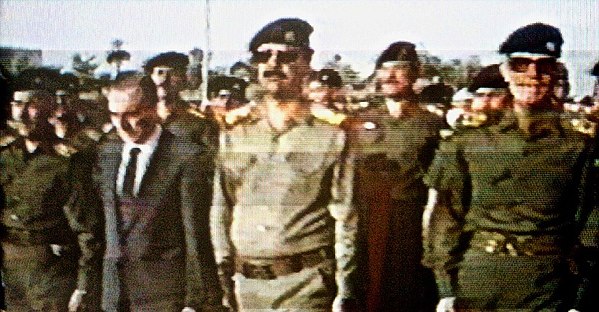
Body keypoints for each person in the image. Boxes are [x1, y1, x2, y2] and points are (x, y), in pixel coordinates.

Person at [422, 22, 597, 311]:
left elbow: (591, 221)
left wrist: (581, 297)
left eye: (544, 66)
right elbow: (445, 216)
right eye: (521, 65)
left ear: (556, 71)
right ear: (505, 71)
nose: (533, 76)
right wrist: (445, 288)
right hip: (479, 276)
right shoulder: (468, 141)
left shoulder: (579, 144)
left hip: (547, 282)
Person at [210, 18, 358, 311]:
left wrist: (346, 289)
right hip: (246, 287)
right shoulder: (235, 132)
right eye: (264, 56)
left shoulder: (331, 134)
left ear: (307, 63)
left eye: (287, 56)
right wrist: (222, 276)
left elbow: (346, 218)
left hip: (307, 285)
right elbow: (221, 209)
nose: (273, 64)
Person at [68, 75, 225, 312]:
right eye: (114, 115)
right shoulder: (106, 154)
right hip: (114, 295)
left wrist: (197, 303)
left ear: (153, 109)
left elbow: (197, 237)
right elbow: (97, 230)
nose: (122, 125)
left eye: (132, 114)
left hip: (165, 298)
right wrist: (85, 285)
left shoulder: (187, 157)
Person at [349, 41, 441, 312]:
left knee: (406, 293)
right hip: (365, 221)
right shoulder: (361, 120)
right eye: (384, 70)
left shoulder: (431, 124)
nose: (390, 77)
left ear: (414, 75)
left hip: (409, 222)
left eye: (399, 70)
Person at [1, 121, 79, 311]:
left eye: (32, 104)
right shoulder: (5, 156)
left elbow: (86, 228)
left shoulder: (65, 161)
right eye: (17, 104)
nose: (23, 114)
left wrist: (84, 286)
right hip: (10, 270)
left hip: (50, 269)